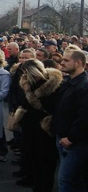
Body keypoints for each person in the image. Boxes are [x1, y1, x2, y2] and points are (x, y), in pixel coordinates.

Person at [15, 59, 64, 191]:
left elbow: (55, 107)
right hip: (31, 126)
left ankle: (44, 187)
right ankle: (37, 184)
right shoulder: (28, 84)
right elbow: (26, 104)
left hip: (44, 127)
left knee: (45, 160)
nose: (24, 75)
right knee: (33, 157)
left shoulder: (52, 86)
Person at [52, 49, 88, 191]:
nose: (62, 63)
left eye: (66, 60)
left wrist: (71, 138)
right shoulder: (68, 82)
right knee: (75, 180)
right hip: (63, 138)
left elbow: (84, 118)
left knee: (65, 181)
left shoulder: (84, 86)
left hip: (74, 143)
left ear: (78, 63)